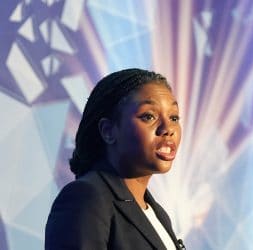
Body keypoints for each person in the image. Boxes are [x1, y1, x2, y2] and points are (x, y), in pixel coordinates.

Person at [45, 68, 185, 250]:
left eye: (174, 117)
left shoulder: (158, 213)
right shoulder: (86, 198)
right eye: (148, 116)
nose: (168, 128)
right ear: (108, 131)